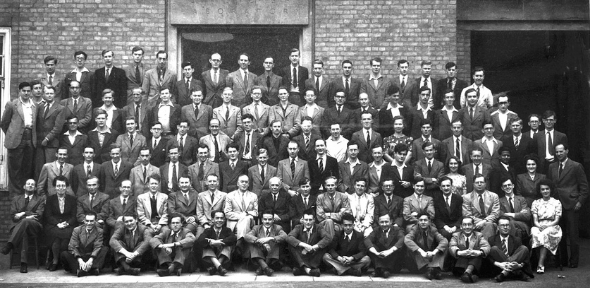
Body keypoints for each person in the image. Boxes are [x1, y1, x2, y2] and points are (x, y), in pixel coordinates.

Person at [548, 143, 587, 268]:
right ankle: (562, 261)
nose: (559, 154)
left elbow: (585, 188)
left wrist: (579, 202)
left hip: (571, 204)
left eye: (561, 151)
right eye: (557, 152)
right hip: (556, 205)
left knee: (573, 235)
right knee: (560, 234)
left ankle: (574, 261)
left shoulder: (576, 166)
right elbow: (551, 185)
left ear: (567, 151)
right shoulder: (552, 166)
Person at [1, 179, 45, 273]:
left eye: (32, 184)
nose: (30, 186)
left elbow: (38, 215)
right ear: (24, 186)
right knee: (23, 232)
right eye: (28, 184)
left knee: (25, 221)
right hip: (18, 227)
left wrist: (23, 213)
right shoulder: (16, 199)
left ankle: (10, 244)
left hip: (34, 226)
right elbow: (13, 216)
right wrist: (28, 215)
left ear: (35, 188)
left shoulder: (40, 199)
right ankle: (23, 264)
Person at [1, 82, 37, 195]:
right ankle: (15, 196)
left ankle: (25, 195)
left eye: (28, 91)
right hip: (16, 139)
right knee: (15, 168)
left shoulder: (35, 105)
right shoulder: (12, 105)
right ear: (19, 91)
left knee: (27, 168)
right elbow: (4, 123)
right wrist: (12, 134)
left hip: (30, 137)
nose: (26, 93)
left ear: (31, 92)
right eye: (24, 91)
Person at [43, 176, 77, 271]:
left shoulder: (72, 199)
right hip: (53, 224)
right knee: (56, 235)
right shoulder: (50, 199)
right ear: (55, 187)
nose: (60, 188)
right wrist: (57, 223)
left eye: (63, 185)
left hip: (68, 224)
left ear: (66, 187)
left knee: (63, 237)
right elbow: (48, 215)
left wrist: (67, 223)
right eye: (58, 186)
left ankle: (58, 260)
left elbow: (74, 216)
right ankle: (55, 260)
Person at [286, 208, 333, 277]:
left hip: (313, 256)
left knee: (323, 246)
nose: (308, 222)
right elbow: (289, 237)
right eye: (306, 220)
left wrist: (314, 247)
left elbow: (328, 238)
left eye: (310, 220)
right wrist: (304, 245)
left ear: (314, 220)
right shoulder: (298, 227)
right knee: (291, 245)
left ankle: (302, 269)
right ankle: (308, 270)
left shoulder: (318, 227)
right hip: (302, 255)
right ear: (302, 220)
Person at [61, 211, 107, 276]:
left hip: (92, 256)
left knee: (105, 249)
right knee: (64, 254)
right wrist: (80, 260)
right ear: (84, 221)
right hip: (80, 255)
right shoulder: (77, 230)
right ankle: (92, 269)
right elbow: (72, 246)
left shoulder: (99, 231)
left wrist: (91, 259)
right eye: (87, 221)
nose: (89, 223)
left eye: (91, 221)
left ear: (95, 221)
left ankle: (81, 270)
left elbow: (98, 246)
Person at [530, 179, 563, 273]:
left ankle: (540, 264)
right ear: (540, 191)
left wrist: (547, 226)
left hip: (553, 226)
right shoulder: (536, 203)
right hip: (539, 225)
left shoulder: (556, 202)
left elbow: (557, 220)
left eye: (547, 189)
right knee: (534, 231)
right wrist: (539, 226)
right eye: (543, 189)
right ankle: (534, 261)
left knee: (545, 233)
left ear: (550, 189)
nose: (545, 191)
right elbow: (535, 220)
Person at [488, 216, 533, 282]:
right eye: (502, 225)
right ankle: (516, 272)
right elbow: (489, 258)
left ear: (510, 227)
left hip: (510, 268)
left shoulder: (516, 240)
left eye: (507, 225)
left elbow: (523, 257)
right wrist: (499, 264)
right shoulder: (492, 239)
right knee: (494, 249)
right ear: (498, 227)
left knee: (524, 248)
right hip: (499, 268)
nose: (505, 227)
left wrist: (519, 265)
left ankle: (504, 273)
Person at [244, 209, 288, 276]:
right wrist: (259, 241)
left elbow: (285, 236)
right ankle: (266, 268)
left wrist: (270, 238)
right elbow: (247, 236)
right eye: (265, 219)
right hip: (258, 257)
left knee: (274, 241)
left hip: (273, 261)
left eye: (270, 219)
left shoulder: (277, 228)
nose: (267, 222)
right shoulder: (257, 228)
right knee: (252, 242)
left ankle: (262, 267)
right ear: (262, 220)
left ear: (273, 220)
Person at [404, 212, 448, 280]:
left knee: (444, 247)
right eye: (421, 220)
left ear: (429, 221)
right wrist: (421, 251)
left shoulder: (433, 229)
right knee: (410, 248)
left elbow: (444, 241)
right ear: (418, 221)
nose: (423, 222)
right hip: (420, 256)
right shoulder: (414, 229)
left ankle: (431, 269)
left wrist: (434, 252)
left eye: (425, 220)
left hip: (430, 254)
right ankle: (433, 269)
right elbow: (407, 239)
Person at [35, 85, 66, 178]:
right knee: (39, 168)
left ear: (54, 94)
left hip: (51, 143)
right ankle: (39, 190)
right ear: (44, 94)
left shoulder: (60, 108)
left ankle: (50, 191)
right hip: (39, 143)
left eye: (51, 93)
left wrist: (47, 138)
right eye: (47, 93)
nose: (49, 95)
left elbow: (58, 128)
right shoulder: (39, 107)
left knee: (51, 168)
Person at [449, 216, 491, 283]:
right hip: (459, 265)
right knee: (462, 247)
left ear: (474, 226)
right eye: (464, 225)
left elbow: (487, 247)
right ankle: (470, 275)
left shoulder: (479, 235)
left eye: (469, 224)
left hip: (475, 265)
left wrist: (478, 252)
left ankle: (467, 273)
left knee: (478, 250)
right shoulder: (456, 235)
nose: (467, 227)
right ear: (461, 227)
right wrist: (461, 252)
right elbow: (452, 246)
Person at [364, 214, 405, 278]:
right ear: (378, 222)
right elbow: (367, 240)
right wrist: (376, 253)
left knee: (397, 247)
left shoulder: (397, 229)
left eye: (386, 222)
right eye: (382, 222)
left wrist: (389, 251)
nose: (384, 224)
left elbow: (401, 239)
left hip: (393, 261)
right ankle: (383, 270)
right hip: (381, 257)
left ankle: (380, 270)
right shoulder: (376, 230)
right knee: (372, 247)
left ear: (391, 221)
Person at [224, 174, 258, 249]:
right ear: (237, 183)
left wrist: (246, 214)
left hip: (249, 222)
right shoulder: (230, 195)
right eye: (242, 182)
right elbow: (227, 213)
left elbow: (256, 212)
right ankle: (241, 241)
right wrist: (241, 216)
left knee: (246, 219)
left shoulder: (253, 196)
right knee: (245, 219)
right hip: (234, 222)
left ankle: (239, 244)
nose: (244, 184)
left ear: (248, 184)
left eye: (246, 182)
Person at [197, 211, 236, 276]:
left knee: (228, 246)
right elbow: (200, 240)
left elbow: (233, 238)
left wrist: (220, 242)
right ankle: (219, 267)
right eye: (217, 218)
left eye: (221, 218)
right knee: (206, 246)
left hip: (224, 259)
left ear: (224, 219)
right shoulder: (208, 230)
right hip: (210, 260)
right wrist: (211, 242)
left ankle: (216, 267)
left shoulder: (227, 230)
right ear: (212, 220)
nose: (219, 220)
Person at [462, 174, 500, 239]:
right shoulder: (467, 197)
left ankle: (484, 247)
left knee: (489, 225)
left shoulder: (494, 196)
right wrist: (479, 222)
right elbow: (467, 215)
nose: (479, 184)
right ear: (473, 184)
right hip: (474, 224)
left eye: (481, 182)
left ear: (485, 184)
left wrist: (484, 222)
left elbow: (495, 214)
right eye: (477, 182)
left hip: (490, 223)